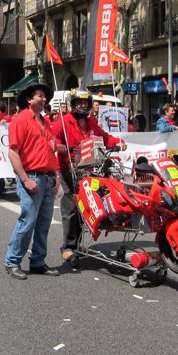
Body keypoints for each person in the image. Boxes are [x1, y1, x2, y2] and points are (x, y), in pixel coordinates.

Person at [52, 88, 125, 264]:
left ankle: (79, 242)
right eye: (79, 103)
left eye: (85, 103)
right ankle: (68, 246)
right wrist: (66, 149)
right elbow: (52, 141)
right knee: (71, 207)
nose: (82, 106)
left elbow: (105, 138)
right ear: (73, 104)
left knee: (91, 204)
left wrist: (119, 142)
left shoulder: (91, 122)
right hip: (69, 169)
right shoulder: (63, 122)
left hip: (90, 169)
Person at [4, 83, 61, 280]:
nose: (44, 99)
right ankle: (12, 261)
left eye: (45, 96)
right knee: (27, 221)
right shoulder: (20, 120)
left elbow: (51, 150)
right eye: (40, 96)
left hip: (47, 178)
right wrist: (25, 179)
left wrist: (57, 175)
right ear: (30, 99)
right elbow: (13, 152)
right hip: (32, 177)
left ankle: (37, 261)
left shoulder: (45, 123)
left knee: (44, 223)